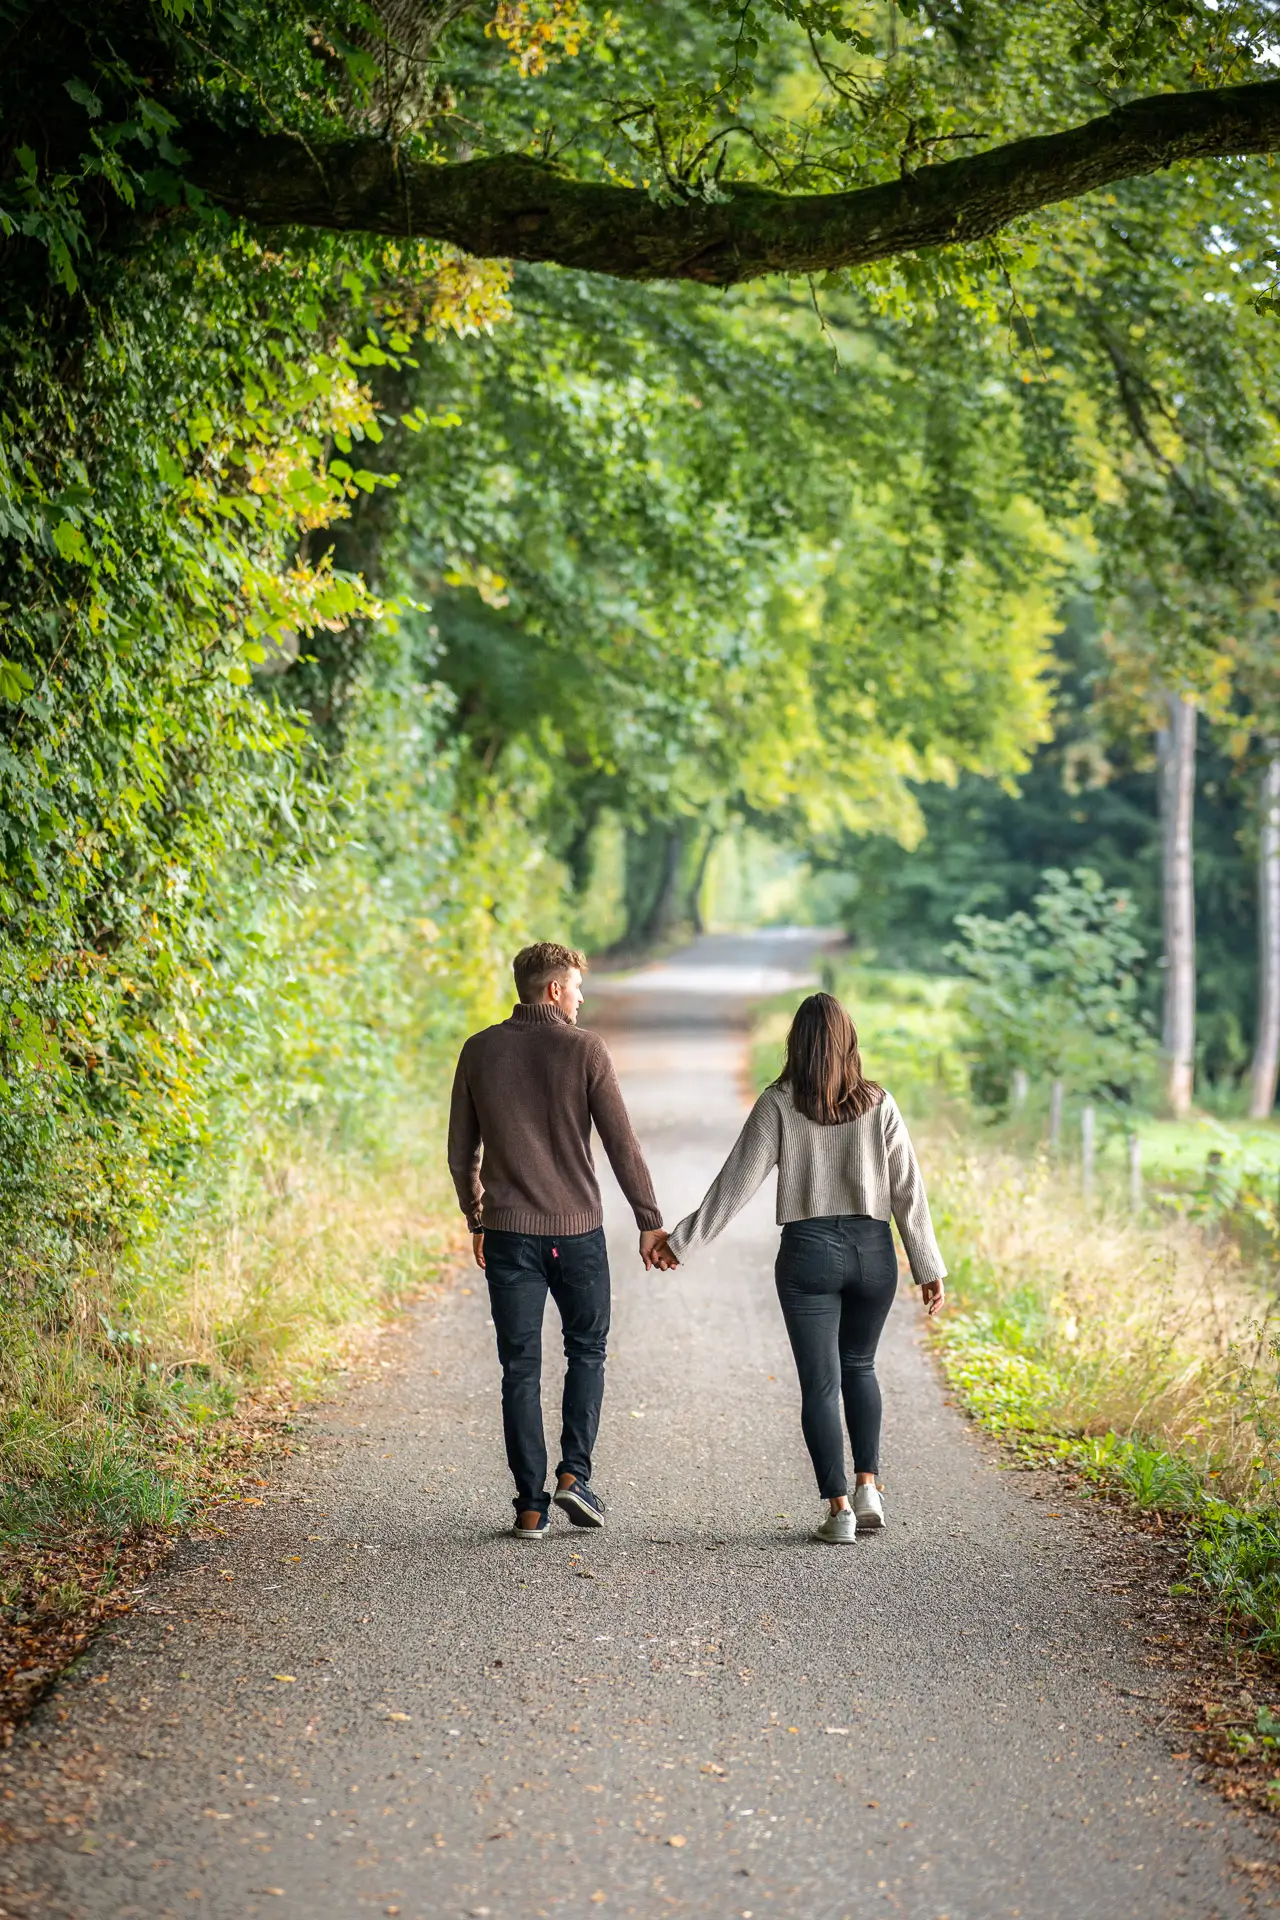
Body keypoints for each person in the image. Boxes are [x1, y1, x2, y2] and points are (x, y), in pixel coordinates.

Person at [653, 991, 945, 1544]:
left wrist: (682, 1242)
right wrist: (927, 1264)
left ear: (796, 1044)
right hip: (872, 1250)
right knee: (860, 1366)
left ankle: (839, 1513)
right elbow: (908, 1188)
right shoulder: (879, 1103)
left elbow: (737, 1182)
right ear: (848, 1043)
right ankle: (868, 1489)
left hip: (809, 1251)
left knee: (821, 1383)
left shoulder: (778, 1103)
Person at [448, 941, 674, 1540]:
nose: (580, 996)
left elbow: (460, 1151)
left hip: (508, 1235)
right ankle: (574, 1476)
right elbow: (623, 1144)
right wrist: (649, 1219)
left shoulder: (478, 1051)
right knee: (587, 1351)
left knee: (519, 1368)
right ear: (553, 990)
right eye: (575, 986)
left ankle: (529, 1506)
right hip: (577, 1235)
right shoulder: (585, 1050)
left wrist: (477, 1217)